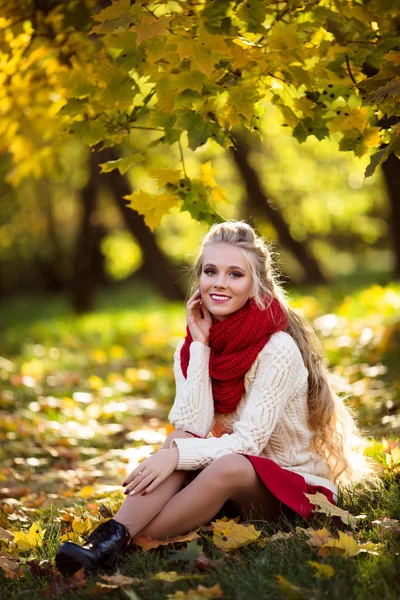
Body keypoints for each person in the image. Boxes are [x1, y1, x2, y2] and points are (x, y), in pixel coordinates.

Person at [55, 220, 370, 576]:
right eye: (210, 271)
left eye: (235, 274)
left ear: (256, 285)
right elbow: (194, 425)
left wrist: (174, 458)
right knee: (180, 438)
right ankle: (102, 545)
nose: (219, 282)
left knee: (219, 462)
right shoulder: (191, 347)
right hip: (224, 479)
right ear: (199, 279)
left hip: (289, 488)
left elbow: (249, 444)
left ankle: (128, 543)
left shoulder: (277, 348)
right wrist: (202, 347)